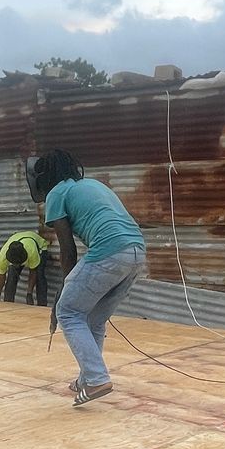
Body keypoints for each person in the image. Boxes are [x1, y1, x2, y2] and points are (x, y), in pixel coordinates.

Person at [32, 150, 147, 406]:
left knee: (69, 312)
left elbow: (67, 249)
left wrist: (63, 291)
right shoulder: (93, 185)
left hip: (109, 251)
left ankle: (96, 379)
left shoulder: (56, 194)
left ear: (45, 175)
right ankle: (87, 377)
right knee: (94, 319)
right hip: (136, 252)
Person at [0, 228, 54, 305]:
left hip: (40, 247)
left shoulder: (31, 251)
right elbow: (1, 276)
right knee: (11, 276)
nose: (17, 266)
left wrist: (29, 294)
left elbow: (33, 272)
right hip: (19, 241)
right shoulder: (3, 257)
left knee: (39, 276)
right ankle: (8, 303)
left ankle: (42, 304)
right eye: (15, 263)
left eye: (18, 263)